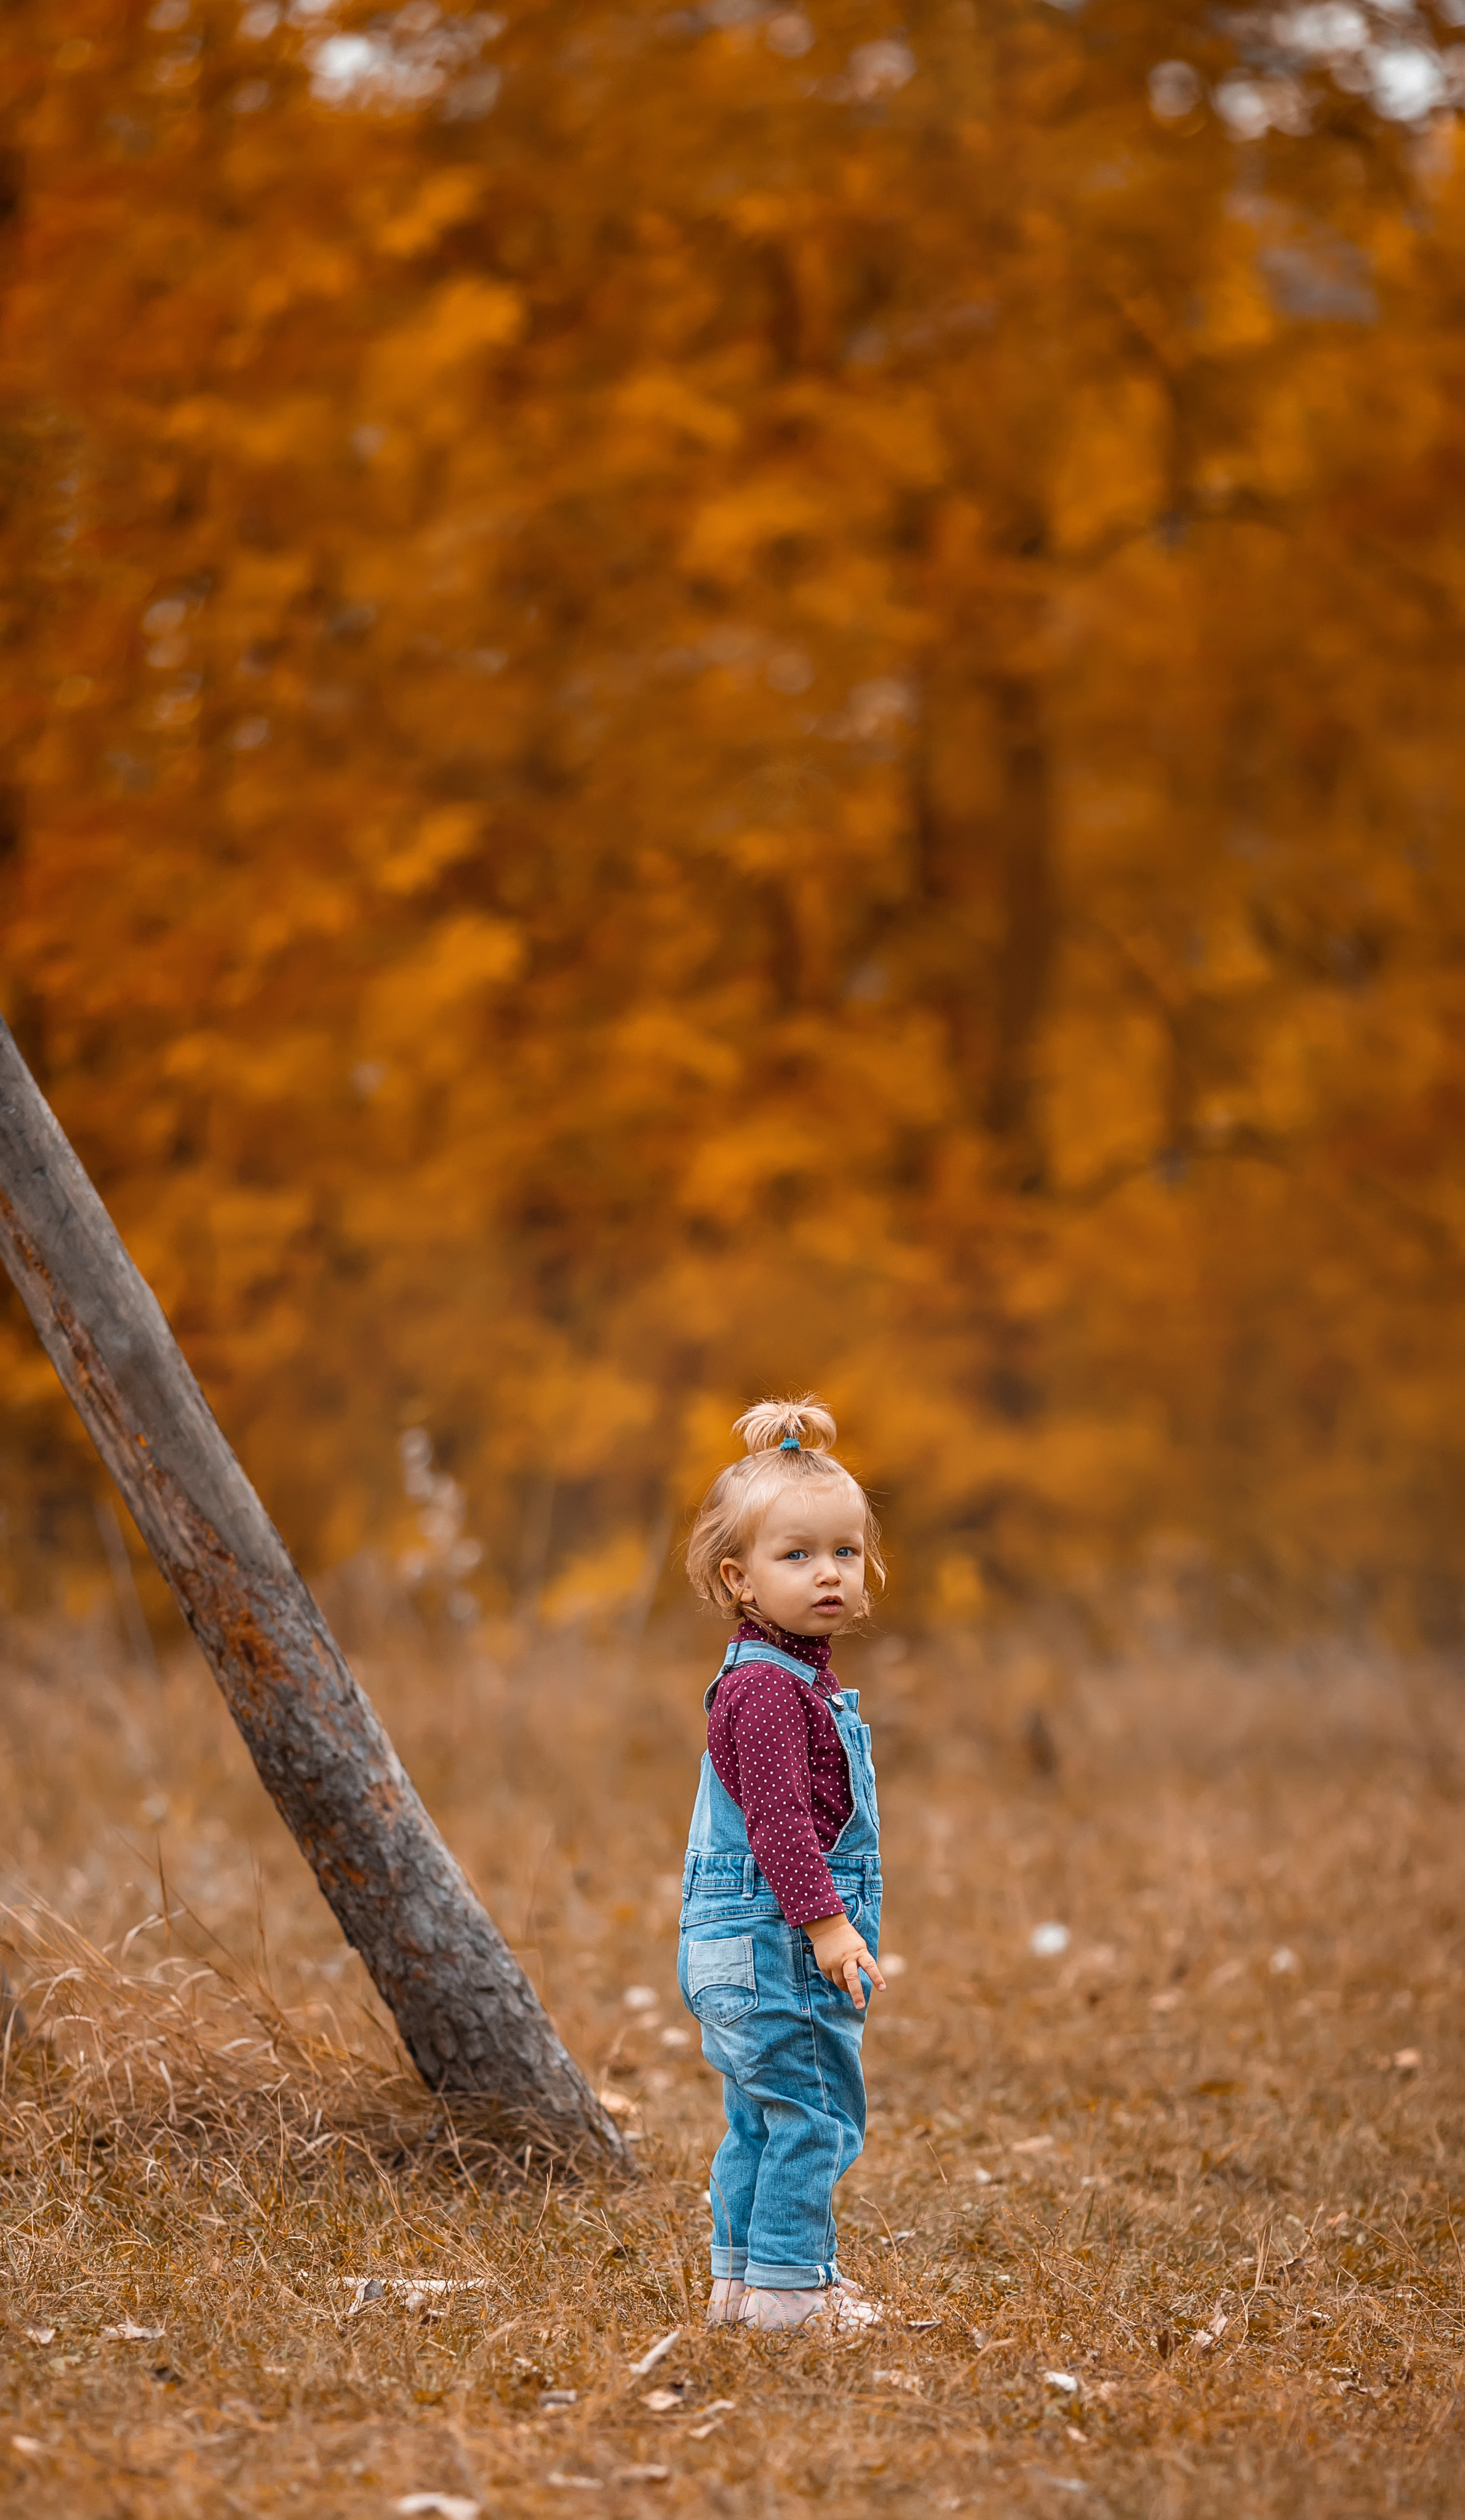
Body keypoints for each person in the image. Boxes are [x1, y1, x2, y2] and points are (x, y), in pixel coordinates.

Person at [678, 1394, 888, 2334]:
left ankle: (744, 2282)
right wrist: (829, 1926)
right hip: (778, 1942)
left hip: (743, 1943)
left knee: (759, 2119)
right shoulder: (766, 1691)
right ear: (739, 1580)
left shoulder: (783, 1674)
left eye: (843, 1552)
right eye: (795, 1556)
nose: (828, 1574)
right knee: (812, 2114)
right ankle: (790, 2295)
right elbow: (778, 1826)